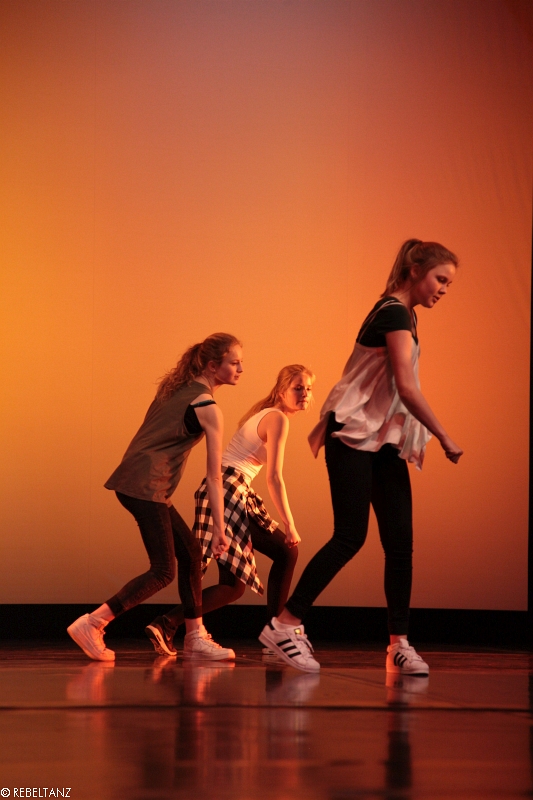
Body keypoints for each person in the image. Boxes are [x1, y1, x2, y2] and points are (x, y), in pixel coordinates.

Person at [259, 239, 463, 674]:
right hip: (352, 434)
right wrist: (444, 436)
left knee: (400, 543)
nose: (444, 289)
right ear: (415, 270)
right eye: (440, 279)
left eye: (448, 283)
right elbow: (406, 386)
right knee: (350, 536)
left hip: (381, 441)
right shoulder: (393, 312)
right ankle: (283, 625)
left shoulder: (405, 315)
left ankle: (399, 644)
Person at [67, 333, 244, 662]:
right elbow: (214, 476)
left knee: (191, 554)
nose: (240, 369)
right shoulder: (207, 407)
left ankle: (195, 636)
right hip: (147, 484)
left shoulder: (175, 389)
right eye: (234, 363)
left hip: (141, 481)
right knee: (163, 570)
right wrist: (220, 528)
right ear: (212, 365)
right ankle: (92, 623)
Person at [145, 365, 314, 658]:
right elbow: (274, 477)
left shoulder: (267, 414)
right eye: (298, 388)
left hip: (225, 489)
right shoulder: (277, 418)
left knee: (233, 586)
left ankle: (166, 623)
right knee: (287, 551)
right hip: (228, 490)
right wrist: (290, 524)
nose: (305, 394)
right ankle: (276, 636)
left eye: (309, 389)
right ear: (281, 390)